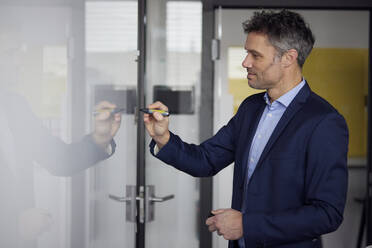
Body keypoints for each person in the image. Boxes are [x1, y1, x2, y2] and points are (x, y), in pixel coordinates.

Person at [143, 9, 348, 248]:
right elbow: (205, 160)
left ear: (288, 58)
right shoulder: (251, 108)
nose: (245, 62)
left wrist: (246, 225)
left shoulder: (324, 121)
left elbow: (327, 214)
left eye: (255, 55)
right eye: (246, 53)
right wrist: (164, 137)